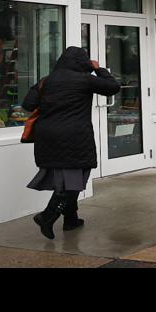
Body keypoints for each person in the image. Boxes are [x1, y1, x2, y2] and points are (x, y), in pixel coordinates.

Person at [23, 46, 122, 238]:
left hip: (47, 136)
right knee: (74, 180)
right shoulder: (85, 79)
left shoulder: (46, 81)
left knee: (69, 177)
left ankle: (71, 219)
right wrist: (98, 68)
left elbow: (28, 104)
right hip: (74, 136)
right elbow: (113, 87)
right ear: (82, 62)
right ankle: (47, 216)